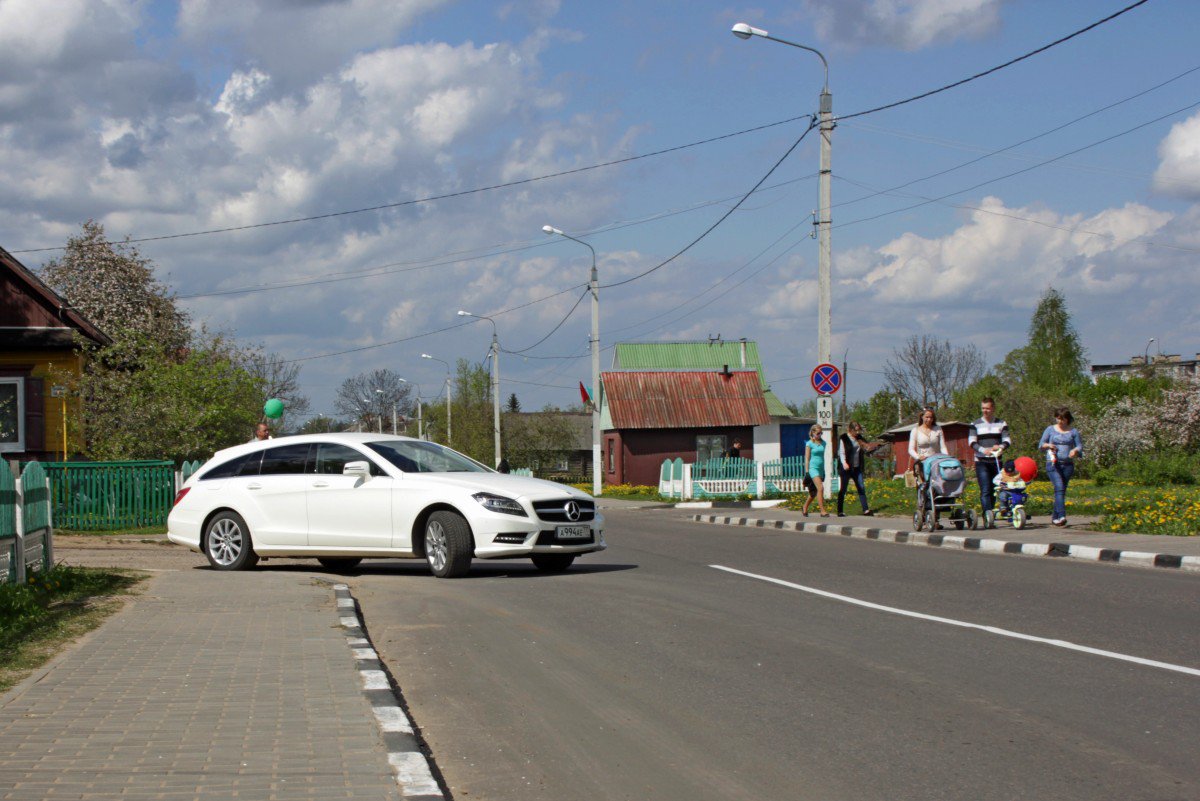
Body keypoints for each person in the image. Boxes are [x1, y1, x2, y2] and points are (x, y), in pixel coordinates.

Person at [968, 397, 1012, 522]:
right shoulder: (975, 424)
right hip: (981, 461)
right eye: (983, 408)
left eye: (987, 408)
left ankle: (991, 512)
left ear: (993, 408)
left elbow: (1007, 440)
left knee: (995, 488)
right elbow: (971, 442)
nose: (985, 411)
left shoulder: (1001, 423)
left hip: (996, 460)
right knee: (985, 489)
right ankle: (987, 515)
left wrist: (1000, 447)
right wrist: (983, 450)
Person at [1039, 407, 1084, 527]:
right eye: (1058, 418)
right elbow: (1041, 445)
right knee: (1059, 487)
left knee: (1061, 491)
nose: (1060, 421)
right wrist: (1048, 445)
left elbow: (1079, 446)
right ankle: (1062, 515)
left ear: (1067, 419)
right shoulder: (1050, 429)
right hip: (1053, 464)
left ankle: (1055, 518)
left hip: (1067, 465)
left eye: (1062, 419)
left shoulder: (1073, 431)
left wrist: (1075, 450)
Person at [837, 421, 878, 517]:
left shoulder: (859, 438)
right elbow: (841, 453)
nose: (857, 432)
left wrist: (871, 449)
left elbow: (867, 448)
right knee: (843, 489)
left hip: (857, 467)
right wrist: (844, 463)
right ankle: (840, 510)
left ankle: (866, 510)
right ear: (850, 430)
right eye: (856, 430)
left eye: (859, 430)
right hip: (846, 468)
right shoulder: (844, 438)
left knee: (861, 487)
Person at [907, 407, 947, 481]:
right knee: (925, 483)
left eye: (931, 417)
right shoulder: (915, 431)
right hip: (923, 463)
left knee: (940, 482)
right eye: (927, 417)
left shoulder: (938, 429)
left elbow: (943, 447)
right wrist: (918, 457)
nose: (929, 419)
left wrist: (946, 457)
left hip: (936, 461)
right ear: (922, 417)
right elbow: (910, 449)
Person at [802, 424, 829, 517]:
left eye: (821, 433)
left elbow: (822, 457)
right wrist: (807, 472)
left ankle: (805, 507)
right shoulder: (809, 444)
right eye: (818, 433)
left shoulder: (823, 443)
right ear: (813, 433)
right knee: (820, 488)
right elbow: (807, 458)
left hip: (820, 468)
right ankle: (822, 511)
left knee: (813, 492)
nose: (820, 435)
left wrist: (823, 470)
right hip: (813, 468)